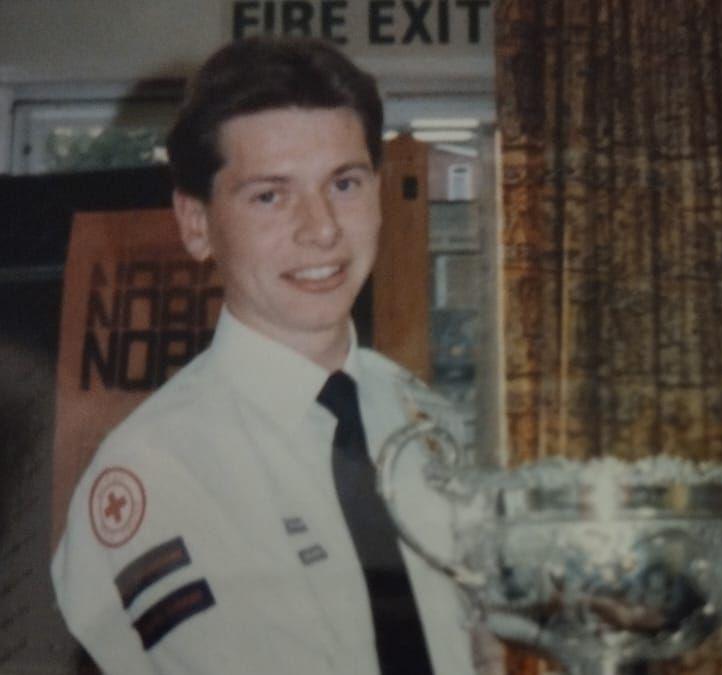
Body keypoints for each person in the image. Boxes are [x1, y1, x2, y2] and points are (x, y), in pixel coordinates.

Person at [51, 37, 483, 674]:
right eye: (270, 196)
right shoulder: (155, 472)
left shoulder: (429, 424)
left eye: (344, 182)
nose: (322, 229)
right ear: (197, 223)